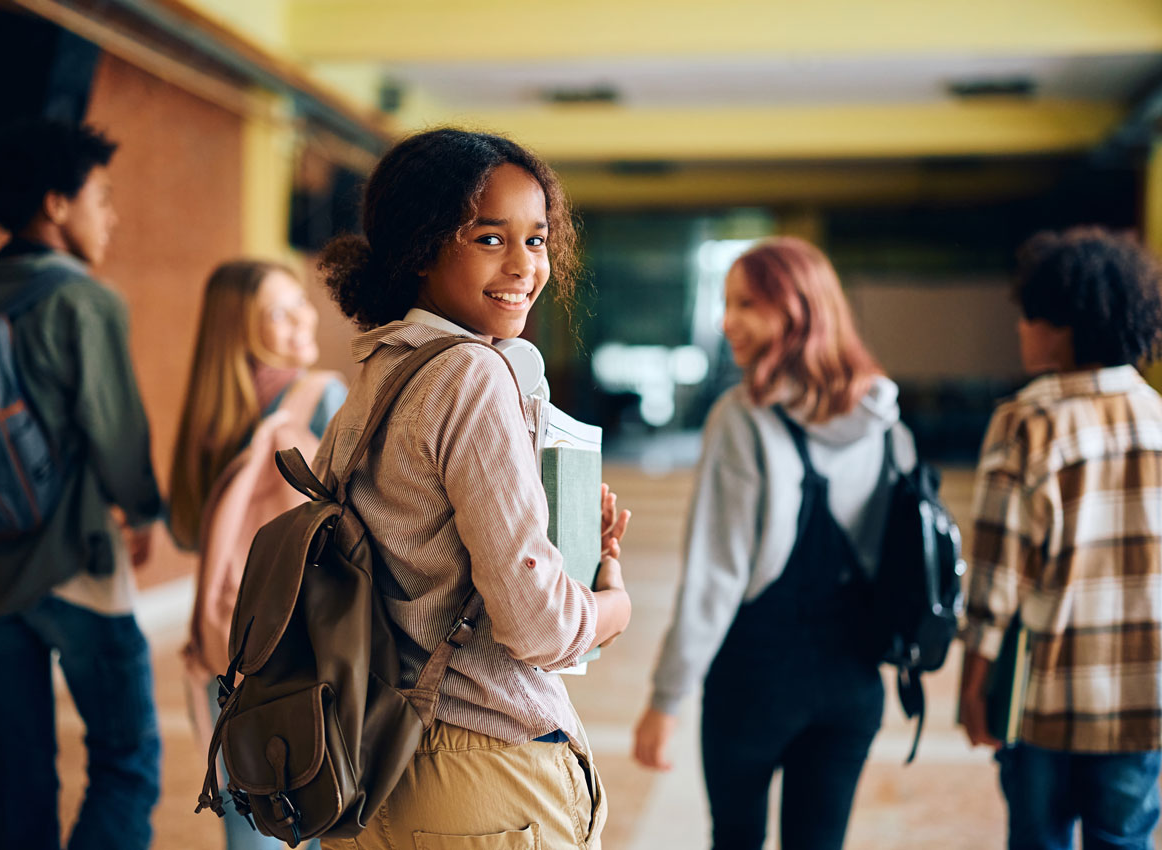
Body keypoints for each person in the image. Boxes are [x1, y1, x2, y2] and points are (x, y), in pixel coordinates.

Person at [312, 127, 631, 850]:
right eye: (490, 238)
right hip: (482, 772)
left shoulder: (379, 373)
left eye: (538, 240)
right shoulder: (473, 375)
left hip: (372, 760)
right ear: (422, 248)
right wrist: (612, 603)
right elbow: (539, 628)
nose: (523, 266)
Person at [633, 237, 916, 850]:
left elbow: (716, 575)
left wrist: (666, 699)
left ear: (795, 312)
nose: (725, 321)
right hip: (855, 683)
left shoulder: (742, 418)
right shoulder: (887, 421)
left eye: (746, 305)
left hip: (755, 682)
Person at [0, 120, 162, 849]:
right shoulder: (85, 301)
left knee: (17, 773)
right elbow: (116, 435)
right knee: (126, 762)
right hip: (73, 560)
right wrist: (143, 512)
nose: (111, 217)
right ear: (55, 204)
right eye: (101, 198)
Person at [958, 227, 1162, 850]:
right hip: (1145, 699)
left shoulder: (1028, 420)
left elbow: (998, 575)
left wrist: (973, 682)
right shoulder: (1157, 417)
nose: (1021, 329)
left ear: (1064, 323)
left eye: (1029, 315)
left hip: (1046, 699)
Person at [168, 259, 346, 850]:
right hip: (300, 648)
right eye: (279, 309)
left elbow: (189, 532)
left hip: (226, 647)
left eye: (300, 302)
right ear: (238, 327)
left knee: (251, 824)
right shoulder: (321, 398)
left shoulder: (209, 419)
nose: (302, 317)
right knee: (314, 807)